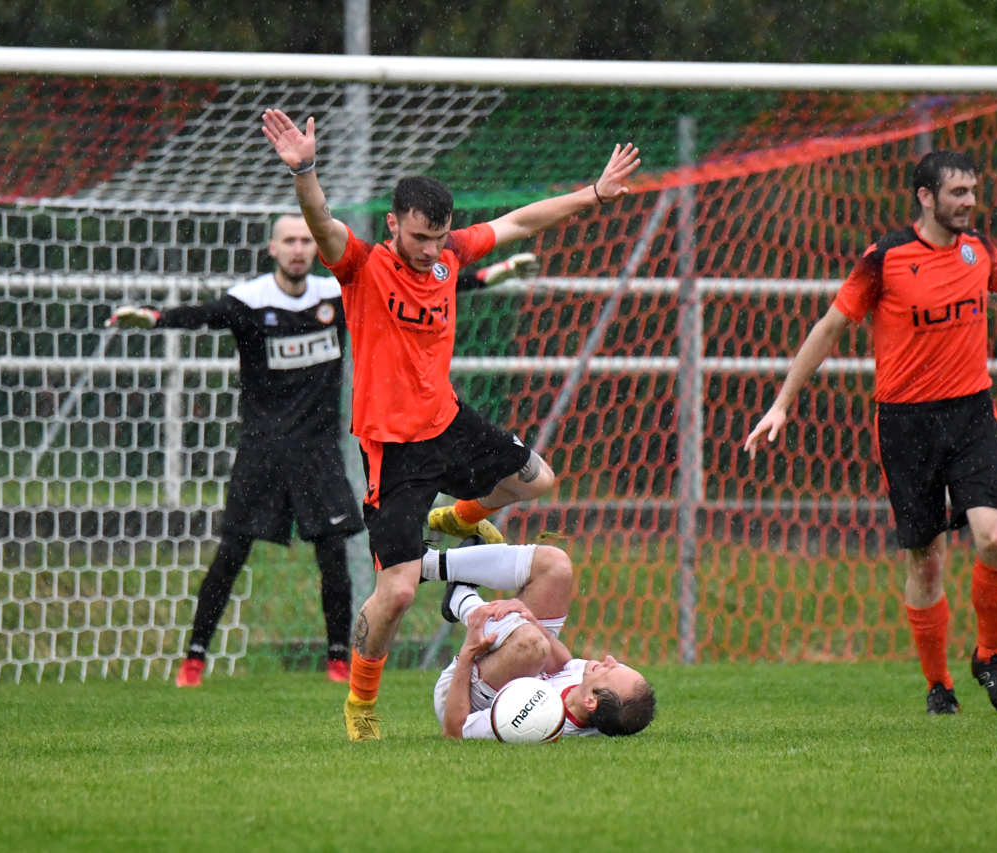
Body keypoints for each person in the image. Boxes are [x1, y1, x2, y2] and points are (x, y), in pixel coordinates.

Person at [260, 107, 641, 740]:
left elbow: (519, 222)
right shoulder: (360, 265)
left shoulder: (448, 258)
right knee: (398, 593)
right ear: (393, 224)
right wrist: (305, 170)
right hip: (394, 449)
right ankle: (360, 706)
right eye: (418, 237)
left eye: (438, 238)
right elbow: (322, 221)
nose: (430, 250)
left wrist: (593, 194)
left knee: (536, 479)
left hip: (449, 422)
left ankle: (457, 519)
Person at [743, 150, 997, 715]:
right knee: (926, 561)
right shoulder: (885, 258)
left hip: (971, 414)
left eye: (972, 191)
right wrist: (782, 404)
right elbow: (830, 327)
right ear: (926, 197)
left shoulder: (977, 250)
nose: (969, 202)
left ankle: (990, 657)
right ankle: (939, 685)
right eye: (958, 192)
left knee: (996, 538)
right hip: (905, 424)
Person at [108, 214, 365, 687]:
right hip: (262, 450)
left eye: (306, 240)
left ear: (317, 248)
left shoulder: (335, 296)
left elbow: (407, 292)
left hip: (318, 452)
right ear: (272, 248)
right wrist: (155, 319)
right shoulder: (250, 300)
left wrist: (480, 278)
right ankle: (194, 660)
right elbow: (202, 316)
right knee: (231, 553)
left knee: (333, 554)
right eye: (289, 240)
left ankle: (337, 661)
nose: (298, 249)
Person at [427, 537, 656, 740]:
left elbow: (455, 731)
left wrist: (469, 650)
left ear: (591, 701)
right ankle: (439, 569)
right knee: (556, 566)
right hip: (524, 666)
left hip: (463, 696)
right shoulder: (592, 694)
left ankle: (459, 596)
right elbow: (564, 665)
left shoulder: (537, 720)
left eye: (610, 670)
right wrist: (530, 618)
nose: (610, 659)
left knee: (532, 645)